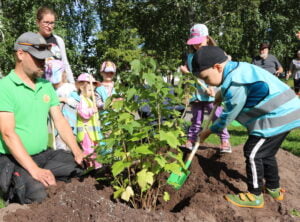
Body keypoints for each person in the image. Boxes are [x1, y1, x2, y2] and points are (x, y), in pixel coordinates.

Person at [192, 46, 300, 208]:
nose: (207, 82)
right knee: (266, 154)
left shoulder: (235, 83)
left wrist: (209, 131)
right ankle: (273, 188)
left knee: (252, 153)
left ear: (217, 67)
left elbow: (228, 116)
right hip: (289, 113)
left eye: (206, 78)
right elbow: (239, 85)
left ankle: (254, 196)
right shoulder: (239, 69)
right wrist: (221, 93)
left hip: (276, 118)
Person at [0, 32, 87, 205]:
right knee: (38, 194)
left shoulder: (45, 86)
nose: (43, 62)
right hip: (10, 160)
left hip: (42, 155)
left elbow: (60, 121)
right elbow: (7, 133)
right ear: (20, 54)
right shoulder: (4, 87)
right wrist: (35, 171)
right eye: (38, 58)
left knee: (80, 170)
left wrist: (78, 152)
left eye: (45, 58)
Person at [180, 24, 231, 153]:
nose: (196, 45)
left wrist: (211, 87)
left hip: (211, 94)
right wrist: (185, 72)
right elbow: (193, 75)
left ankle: (224, 141)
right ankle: (191, 140)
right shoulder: (191, 57)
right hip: (196, 94)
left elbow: (220, 72)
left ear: (207, 38)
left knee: (217, 118)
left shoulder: (215, 53)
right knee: (196, 120)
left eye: (199, 42)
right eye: (194, 43)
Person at [45, 59, 79, 150]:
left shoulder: (69, 89)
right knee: (58, 149)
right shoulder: (48, 89)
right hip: (54, 128)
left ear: (63, 74)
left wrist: (63, 99)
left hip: (69, 125)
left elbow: (77, 103)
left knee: (69, 149)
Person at [36, 6, 75, 83]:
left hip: (59, 85)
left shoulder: (59, 40)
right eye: (46, 22)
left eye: (52, 23)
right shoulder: (32, 40)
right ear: (38, 22)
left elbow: (65, 63)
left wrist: (72, 84)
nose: (49, 26)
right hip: (40, 83)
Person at [76, 73, 102, 169]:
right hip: (86, 132)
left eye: (93, 90)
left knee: (94, 149)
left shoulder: (89, 100)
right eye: (90, 90)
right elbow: (83, 113)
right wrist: (92, 110)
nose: (92, 92)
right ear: (82, 88)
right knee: (88, 150)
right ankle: (89, 167)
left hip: (92, 132)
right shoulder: (81, 100)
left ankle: (97, 166)